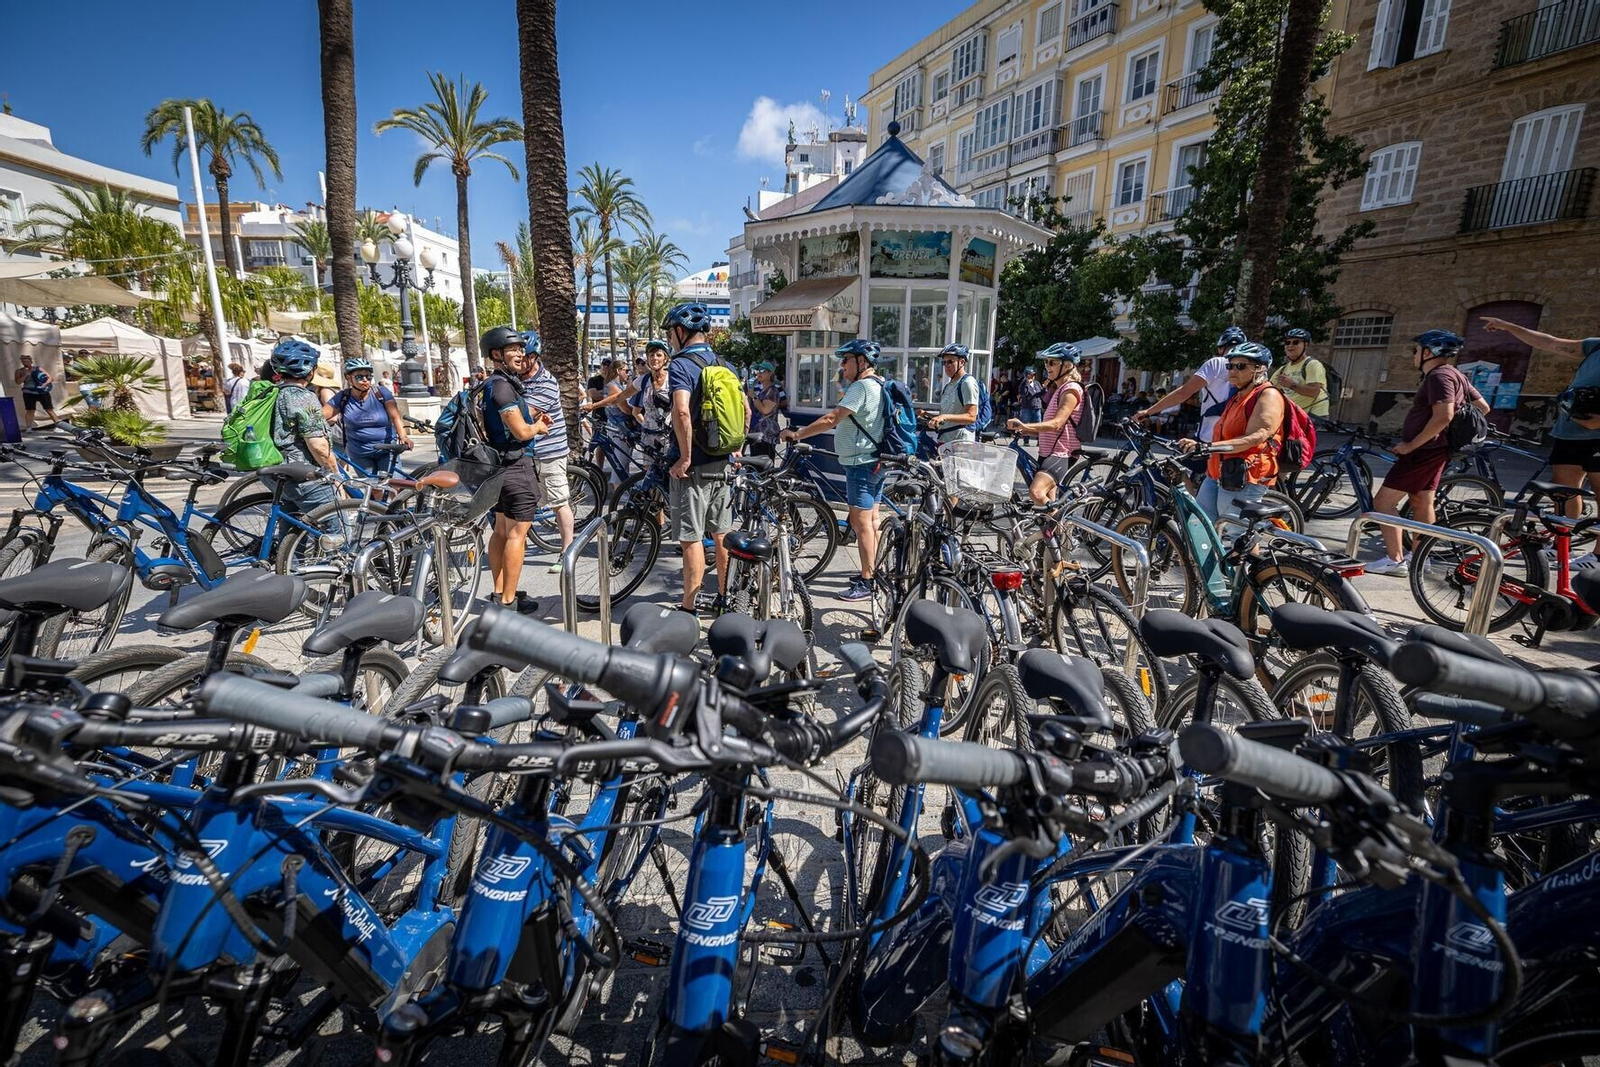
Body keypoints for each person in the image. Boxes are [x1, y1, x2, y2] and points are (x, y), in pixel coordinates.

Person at [1367, 330, 1491, 576]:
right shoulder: (1456, 375)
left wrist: (1412, 445)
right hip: (1436, 449)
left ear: (1428, 352)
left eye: (1416, 350)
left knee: (1383, 502)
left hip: (1423, 450)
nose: (1413, 355)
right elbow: (1482, 407)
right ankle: (1421, 557)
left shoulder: (1439, 376)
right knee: (1422, 502)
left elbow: (1443, 415)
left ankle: (1395, 560)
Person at [782, 340, 888, 601]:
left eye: (847, 360)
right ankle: (872, 571)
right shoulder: (879, 385)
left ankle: (867, 582)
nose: (842, 365)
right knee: (872, 521)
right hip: (875, 461)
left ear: (862, 362)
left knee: (861, 522)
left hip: (860, 464)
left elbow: (832, 418)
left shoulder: (861, 386)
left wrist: (798, 434)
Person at [1481, 316, 1600, 542]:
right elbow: (1549, 342)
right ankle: (1561, 545)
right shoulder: (1595, 346)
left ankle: (1598, 557)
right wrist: (1509, 325)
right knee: (1563, 493)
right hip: (1570, 432)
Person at [665, 301, 749, 614]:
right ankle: (725, 599)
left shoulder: (680, 366)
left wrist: (685, 457)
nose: (671, 340)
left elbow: (682, 410)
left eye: (672, 333)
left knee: (691, 539)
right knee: (722, 534)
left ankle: (688, 607)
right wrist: (736, 445)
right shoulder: (724, 363)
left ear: (681, 331)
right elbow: (746, 408)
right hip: (723, 462)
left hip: (695, 466)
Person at [479, 326, 550, 614]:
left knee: (501, 530)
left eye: (522, 349)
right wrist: (538, 427)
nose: (521, 354)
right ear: (497, 354)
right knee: (516, 534)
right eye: (514, 350)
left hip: (498, 467)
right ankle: (508, 602)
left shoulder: (492, 384)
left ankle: (499, 592)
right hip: (515, 467)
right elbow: (521, 432)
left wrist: (529, 417)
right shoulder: (502, 387)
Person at [1176, 342, 1285, 524]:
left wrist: (1208, 447)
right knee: (1201, 525)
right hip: (1217, 472)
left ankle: (1250, 553)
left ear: (1260, 369)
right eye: (1230, 366)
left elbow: (1257, 436)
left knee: (1236, 534)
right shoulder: (1238, 396)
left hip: (1243, 476)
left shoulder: (1268, 395)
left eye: (1240, 366)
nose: (1233, 370)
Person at [517, 330, 574, 571]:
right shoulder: (516, 381)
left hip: (549, 452)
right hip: (527, 451)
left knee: (559, 502)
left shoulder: (546, 383)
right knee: (526, 500)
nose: (519, 361)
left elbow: (523, 415)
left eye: (523, 357)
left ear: (534, 357)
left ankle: (567, 552)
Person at [265, 339, 341, 518]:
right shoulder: (302, 397)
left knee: (292, 526)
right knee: (336, 524)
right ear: (310, 370)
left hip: (275, 472)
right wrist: (336, 476)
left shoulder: (270, 393)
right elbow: (318, 446)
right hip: (302, 474)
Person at [1137, 326, 1247, 445]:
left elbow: (1182, 393)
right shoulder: (1253, 370)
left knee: (1178, 462)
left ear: (1220, 349)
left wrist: (1148, 411)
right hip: (1238, 441)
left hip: (1209, 439)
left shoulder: (1216, 364)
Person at [1008, 344, 1088, 504]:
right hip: (1049, 452)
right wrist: (1028, 432)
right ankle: (1054, 528)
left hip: (1061, 453)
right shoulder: (1059, 389)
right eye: (1046, 362)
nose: (1047, 366)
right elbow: (1051, 429)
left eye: (1052, 362)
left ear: (1067, 365)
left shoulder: (1071, 390)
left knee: (1036, 493)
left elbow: (1057, 424)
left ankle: (1063, 527)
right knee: (1047, 506)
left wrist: (1024, 426)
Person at [322, 357, 412, 476]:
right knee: (374, 490)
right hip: (359, 453)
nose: (365, 380)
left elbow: (395, 416)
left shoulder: (381, 393)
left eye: (368, 376)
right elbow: (320, 416)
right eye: (359, 377)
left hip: (386, 449)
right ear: (348, 378)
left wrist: (403, 436)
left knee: (395, 485)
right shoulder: (343, 397)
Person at [1270, 328, 1329, 420]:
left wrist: (1291, 385)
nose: (1290, 346)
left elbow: (1314, 392)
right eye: (1287, 343)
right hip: (1295, 415)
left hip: (1313, 416)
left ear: (1305, 345)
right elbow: (1269, 389)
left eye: (1295, 342)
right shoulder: (1283, 369)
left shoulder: (1312, 365)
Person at [927, 342, 979, 446]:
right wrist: (928, 415)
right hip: (945, 439)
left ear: (962, 362)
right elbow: (950, 415)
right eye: (944, 362)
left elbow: (971, 417)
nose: (946, 365)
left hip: (960, 442)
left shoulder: (967, 382)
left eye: (950, 362)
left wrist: (944, 417)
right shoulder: (948, 385)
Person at [746, 361, 786, 458]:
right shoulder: (761, 389)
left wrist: (754, 397)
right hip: (756, 433)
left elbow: (765, 410)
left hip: (767, 434)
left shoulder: (773, 391)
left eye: (763, 371)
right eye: (757, 371)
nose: (759, 374)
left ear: (770, 373)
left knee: (764, 464)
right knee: (755, 462)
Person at [15, 354, 60, 431]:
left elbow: (50, 378)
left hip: (42, 391)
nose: (26, 363)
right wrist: (25, 375)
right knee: (30, 410)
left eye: (27, 361)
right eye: (24, 361)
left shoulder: (38, 368)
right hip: (29, 392)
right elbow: (18, 382)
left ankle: (58, 426)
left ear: (31, 361)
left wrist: (45, 384)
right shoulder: (19, 371)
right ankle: (29, 427)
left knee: (49, 409)